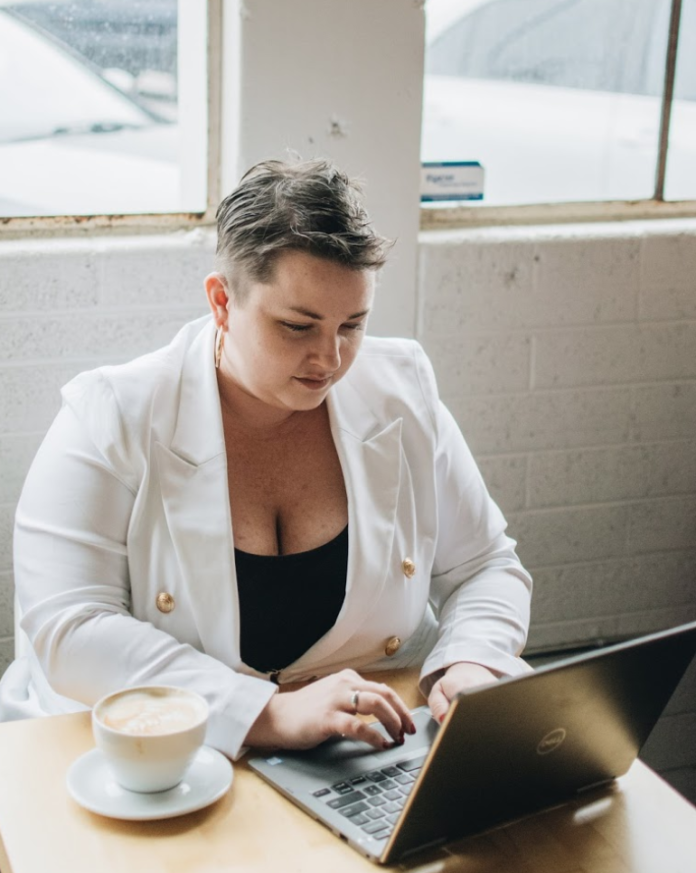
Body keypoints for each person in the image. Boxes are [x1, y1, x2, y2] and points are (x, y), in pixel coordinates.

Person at [0, 159, 532, 760]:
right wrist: (263, 712)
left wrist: (471, 659)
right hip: (157, 755)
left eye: (352, 325)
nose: (329, 359)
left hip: (374, 741)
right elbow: (70, 627)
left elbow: (486, 564)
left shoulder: (401, 388)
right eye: (297, 326)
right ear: (222, 301)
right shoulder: (110, 414)